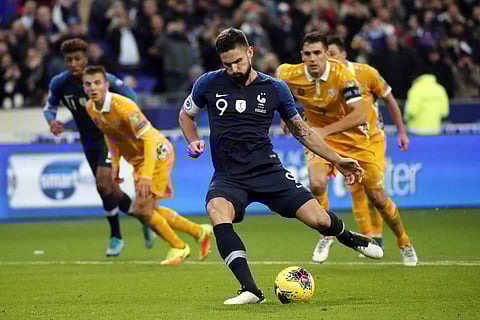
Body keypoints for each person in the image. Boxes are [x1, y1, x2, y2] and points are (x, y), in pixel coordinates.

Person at [178, 28, 383, 305]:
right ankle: (250, 290)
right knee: (217, 212)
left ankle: (348, 237)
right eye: (227, 64)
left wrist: (337, 159)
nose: (233, 68)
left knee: (319, 220)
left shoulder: (275, 88)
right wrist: (192, 140)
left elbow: (302, 131)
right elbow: (186, 115)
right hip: (229, 176)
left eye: (238, 61)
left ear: (250, 52)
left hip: (268, 171)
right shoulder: (207, 83)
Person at [277, 32, 418, 266]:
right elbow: (278, 89)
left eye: (318, 53)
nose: (313, 59)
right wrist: (286, 114)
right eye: (308, 54)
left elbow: (360, 114)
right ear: (302, 55)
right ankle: (326, 235)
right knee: (317, 183)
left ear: (328, 55)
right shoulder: (287, 73)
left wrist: (324, 130)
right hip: (318, 139)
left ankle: (404, 241)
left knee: (378, 198)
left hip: (355, 140)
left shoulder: (345, 75)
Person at [83, 65, 213, 265]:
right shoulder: (91, 108)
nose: (93, 88)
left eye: (97, 83)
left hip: (156, 153)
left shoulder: (124, 106)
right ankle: (199, 232)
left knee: (141, 210)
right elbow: (111, 135)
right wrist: (115, 164)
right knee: (148, 210)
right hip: (138, 160)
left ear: (106, 85)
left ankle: (179, 247)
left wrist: (145, 175)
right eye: (88, 84)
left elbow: (150, 140)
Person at [43, 38, 152, 257]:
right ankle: (146, 218)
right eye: (69, 60)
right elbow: (49, 107)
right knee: (110, 189)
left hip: (109, 138)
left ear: (86, 59)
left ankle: (116, 237)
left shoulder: (103, 80)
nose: (74, 63)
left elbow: (131, 98)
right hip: (89, 141)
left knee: (102, 184)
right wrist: (52, 121)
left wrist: (127, 123)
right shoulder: (59, 83)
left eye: (78, 58)